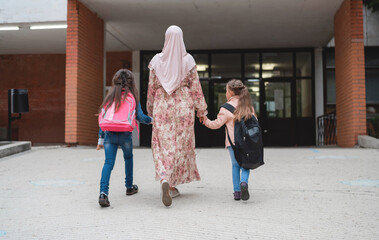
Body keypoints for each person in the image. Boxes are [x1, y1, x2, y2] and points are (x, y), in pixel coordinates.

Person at [147, 25, 208, 207]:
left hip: (162, 106)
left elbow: (151, 88)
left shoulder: (156, 61)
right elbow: (195, 88)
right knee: (180, 145)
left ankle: (165, 178)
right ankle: (171, 186)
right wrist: (201, 110)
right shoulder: (187, 60)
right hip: (183, 106)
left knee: (162, 144)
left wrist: (150, 109)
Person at [97, 69, 152, 207]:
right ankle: (129, 187)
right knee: (128, 158)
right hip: (125, 135)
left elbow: (104, 119)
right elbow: (140, 117)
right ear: (131, 82)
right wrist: (152, 120)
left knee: (108, 163)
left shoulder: (109, 97)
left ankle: (103, 193)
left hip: (109, 134)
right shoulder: (132, 97)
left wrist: (100, 139)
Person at [201, 79, 256, 201]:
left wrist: (204, 120)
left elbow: (215, 124)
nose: (226, 93)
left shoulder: (226, 108)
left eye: (226, 90)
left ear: (230, 92)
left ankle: (237, 192)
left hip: (233, 143)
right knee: (245, 166)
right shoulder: (248, 106)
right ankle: (244, 183)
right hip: (247, 142)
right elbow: (255, 123)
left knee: (235, 165)